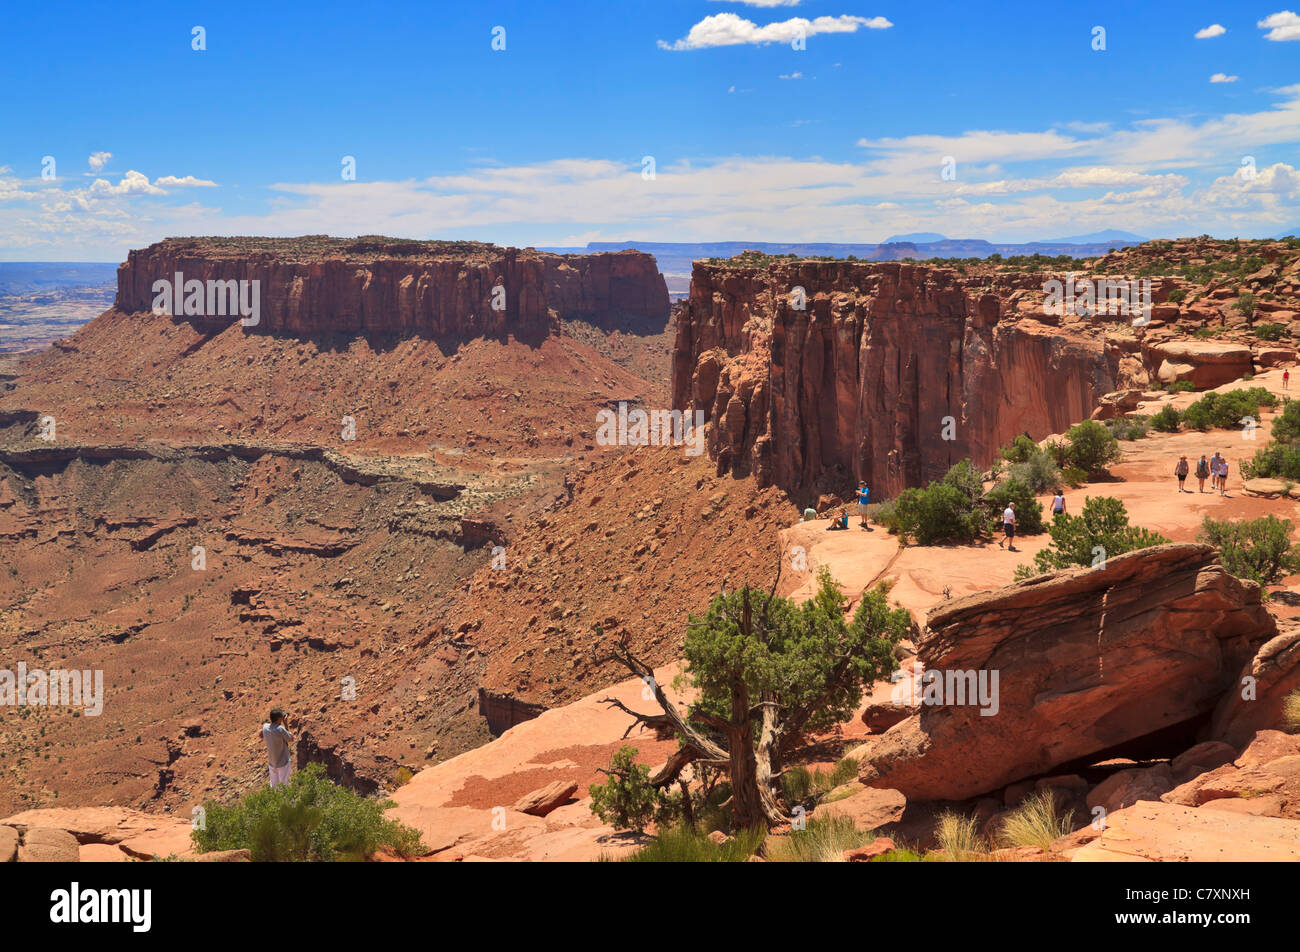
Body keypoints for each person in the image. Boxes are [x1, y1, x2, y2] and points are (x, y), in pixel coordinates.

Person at [262, 708, 294, 788]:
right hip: (283, 762)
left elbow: (260, 735)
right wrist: (285, 724)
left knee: (274, 786)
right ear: (280, 718)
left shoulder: (265, 727)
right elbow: (290, 739)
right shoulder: (280, 729)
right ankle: (286, 800)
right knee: (285, 785)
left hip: (272, 762)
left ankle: (275, 799)